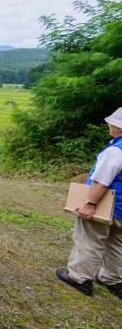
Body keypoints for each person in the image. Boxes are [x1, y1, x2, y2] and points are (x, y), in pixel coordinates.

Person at [56, 108, 122, 298]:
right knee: (117, 244)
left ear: (118, 127)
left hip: (108, 206)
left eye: (112, 122)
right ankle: (113, 280)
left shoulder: (115, 151)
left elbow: (101, 181)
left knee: (89, 240)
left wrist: (89, 204)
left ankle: (79, 278)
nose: (109, 125)